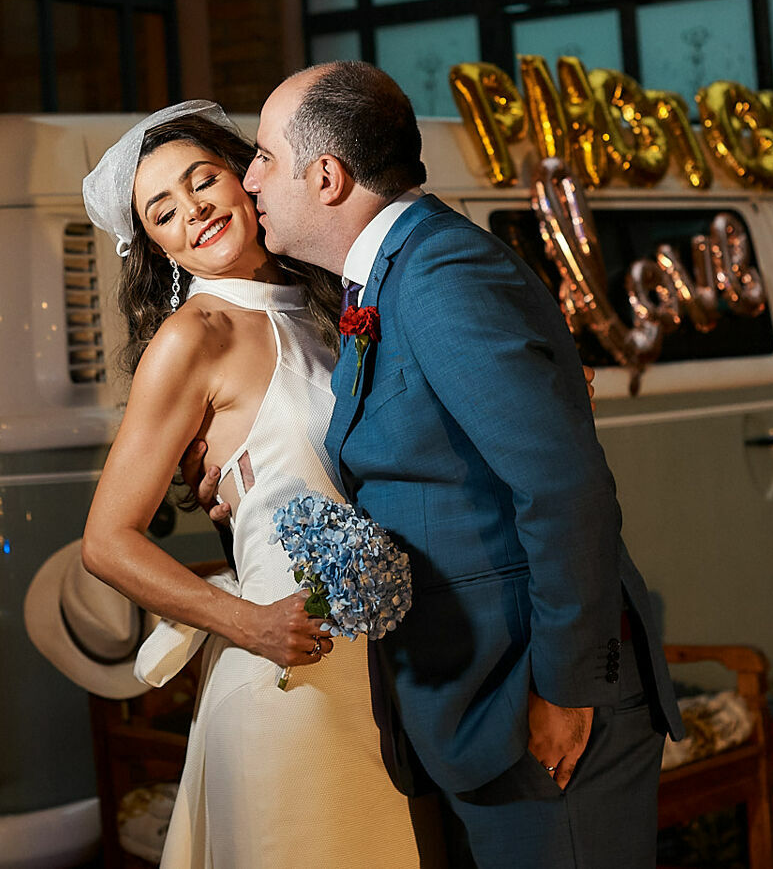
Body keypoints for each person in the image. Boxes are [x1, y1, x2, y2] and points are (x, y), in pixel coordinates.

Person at [218, 60, 685, 869]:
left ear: (326, 176)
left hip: (536, 707)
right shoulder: (388, 277)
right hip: (476, 714)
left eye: (262, 154)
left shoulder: (439, 277)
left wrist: (566, 688)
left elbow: (563, 488)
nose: (248, 178)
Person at [78, 100, 422, 869]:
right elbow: (106, 540)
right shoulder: (193, 337)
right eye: (162, 211)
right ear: (157, 245)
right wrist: (247, 623)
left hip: (384, 678)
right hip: (288, 684)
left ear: (246, 175)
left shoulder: (330, 301)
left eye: (202, 179)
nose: (193, 211)